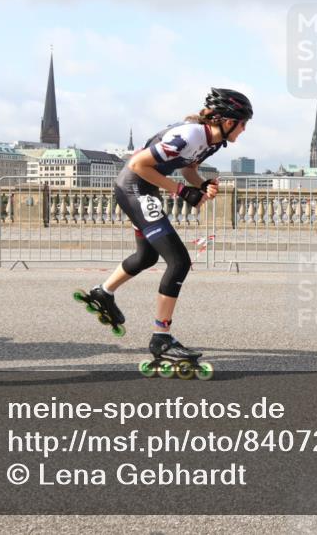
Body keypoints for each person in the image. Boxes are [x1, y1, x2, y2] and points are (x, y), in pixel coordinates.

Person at [74, 88, 252, 379]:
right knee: (179, 262)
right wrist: (183, 193)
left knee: (146, 257)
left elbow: (188, 169)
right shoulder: (190, 135)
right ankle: (161, 337)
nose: (244, 129)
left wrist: (201, 184)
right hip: (134, 187)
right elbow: (137, 164)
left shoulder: (213, 142)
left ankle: (103, 293)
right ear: (225, 120)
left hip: (143, 190)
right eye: (242, 122)